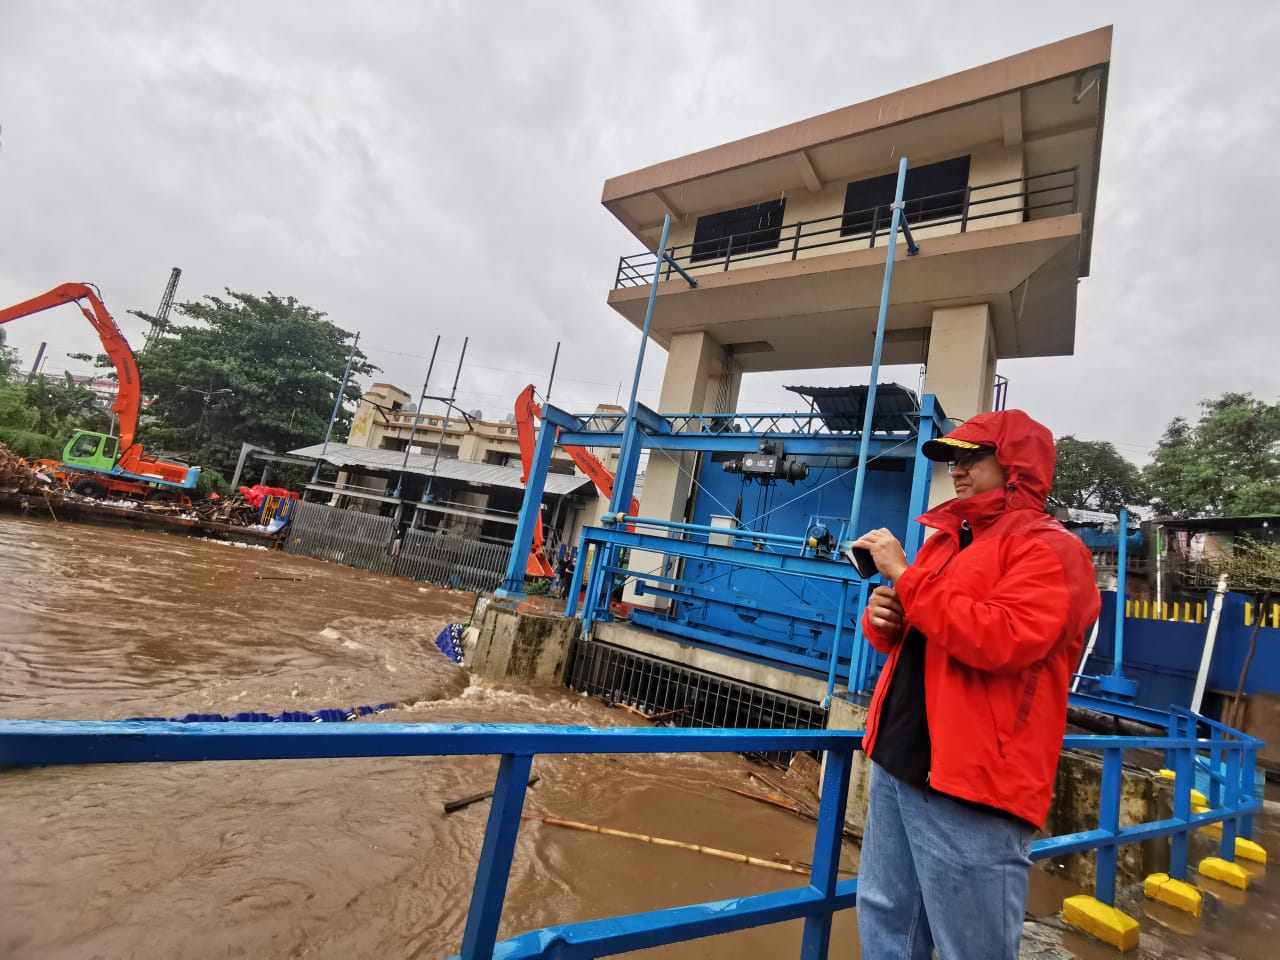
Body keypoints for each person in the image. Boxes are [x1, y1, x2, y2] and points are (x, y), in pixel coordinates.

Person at [850, 409, 1101, 960]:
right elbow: (924, 633)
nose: (957, 471)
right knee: (886, 918)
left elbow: (1003, 640)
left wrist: (904, 577)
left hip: (974, 781)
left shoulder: (1052, 550)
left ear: (1014, 466)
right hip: (899, 756)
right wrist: (884, 617)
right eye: (952, 460)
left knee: (973, 946)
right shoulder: (948, 541)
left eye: (971, 457)